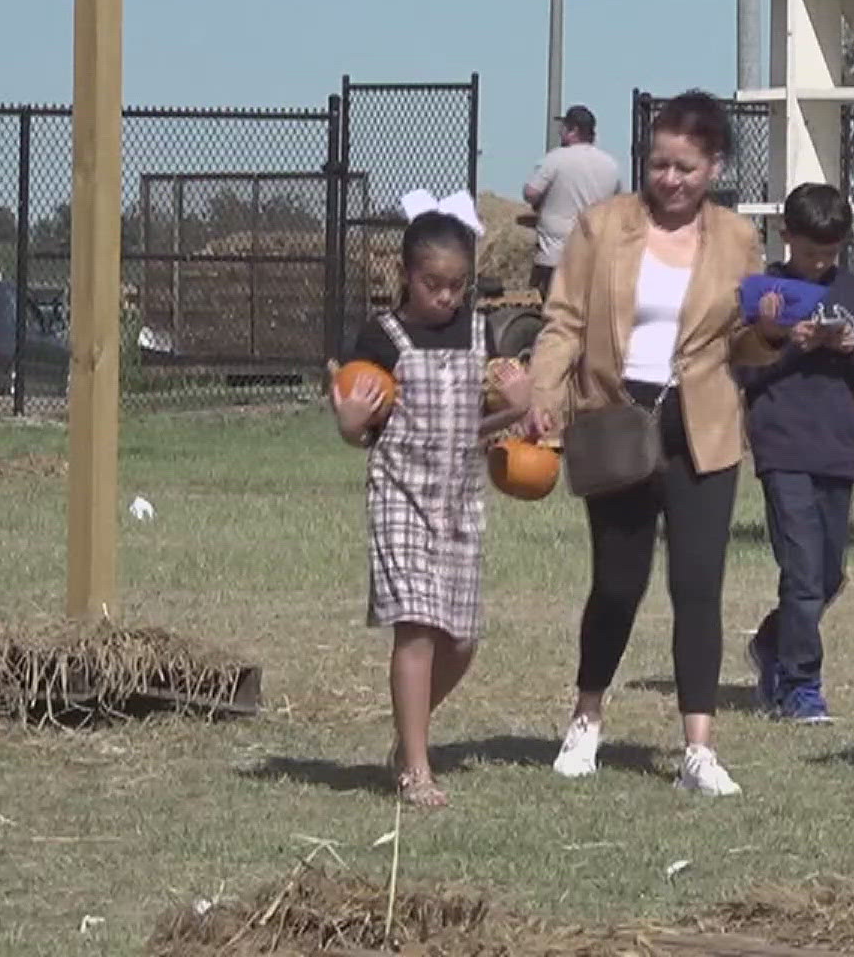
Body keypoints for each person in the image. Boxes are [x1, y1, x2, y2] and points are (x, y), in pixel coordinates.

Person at [524, 90, 788, 796]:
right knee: (618, 582)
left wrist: (769, 330)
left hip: (702, 424)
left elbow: (742, 345)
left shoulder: (737, 238)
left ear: (715, 166)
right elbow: (564, 322)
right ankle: (587, 716)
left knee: (698, 586)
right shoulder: (602, 227)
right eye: (659, 163)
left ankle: (697, 748)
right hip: (615, 418)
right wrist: (543, 392)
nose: (669, 179)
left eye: (686, 167)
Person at [328, 190, 531, 808]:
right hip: (400, 497)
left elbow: (479, 423)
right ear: (406, 275)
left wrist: (518, 410)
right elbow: (357, 425)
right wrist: (348, 420)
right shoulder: (382, 336)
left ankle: (407, 734)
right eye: (432, 284)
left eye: (456, 286)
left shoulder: (482, 333)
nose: (444, 297)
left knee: (461, 639)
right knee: (416, 629)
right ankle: (417, 768)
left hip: (461, 501)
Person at [739, 182, 854, 723]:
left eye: (830, 253)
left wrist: (849, 347)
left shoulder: (852, 289)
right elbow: (745, 371)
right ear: (787, 237)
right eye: (810, 253)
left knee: (827, 576)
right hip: (782, 444)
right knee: (801, 572)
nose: (821, 263)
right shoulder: (763, 293)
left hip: (835, 446)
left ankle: (772, 643)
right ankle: (801, 685)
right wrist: (783, 341)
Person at [523, 104, 623, 298]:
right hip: (595, 253)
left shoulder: (554, 160)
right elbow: (620, 202)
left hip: (556, 254)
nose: (560, 133)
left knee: (555, 309)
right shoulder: (610, 164)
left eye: (563, 128)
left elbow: (531, 192)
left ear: (573, 130)